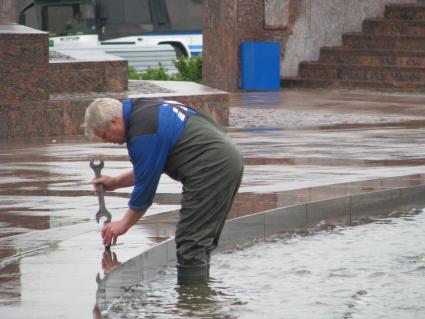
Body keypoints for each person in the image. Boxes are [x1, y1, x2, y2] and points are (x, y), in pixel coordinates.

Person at [84, 98, 244, 284]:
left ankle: (194, 304)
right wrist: (116, 182)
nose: (106, 141)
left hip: (212, 167)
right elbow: (151, 165)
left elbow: (145, 190)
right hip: (225, 159)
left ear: (114, 122)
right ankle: (202, 293)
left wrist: (123, 224)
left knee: (190, 244)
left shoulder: (142, 132)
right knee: (199, 241)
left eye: (104, 135)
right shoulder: (144, 111)